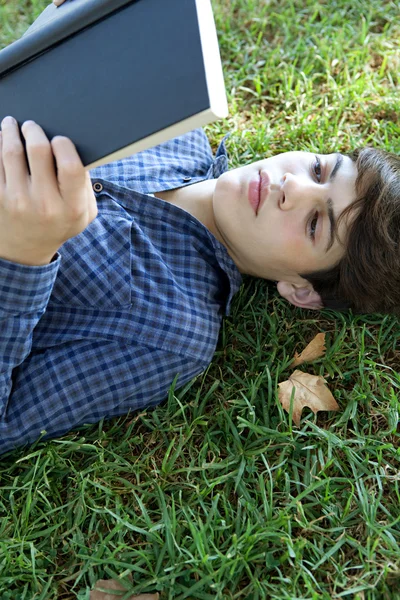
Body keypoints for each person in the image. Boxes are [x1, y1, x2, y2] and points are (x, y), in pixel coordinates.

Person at [0, 5, 399, 456]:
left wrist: (22, 256)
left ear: (301, 290)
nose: (292, 186)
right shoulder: (170, 121)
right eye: (319, 168)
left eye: (314, 223)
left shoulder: (170, 332)